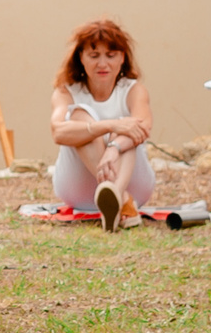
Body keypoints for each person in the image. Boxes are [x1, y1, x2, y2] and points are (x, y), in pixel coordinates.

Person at [47, 20, 154, 230]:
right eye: (94, 56)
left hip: (134, 184)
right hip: (78, 190)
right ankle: (120, 199)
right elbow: (58, 132)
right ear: (81, 58)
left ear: (122, 57)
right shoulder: (65, 92)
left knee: (128, 128)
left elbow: (143, 128)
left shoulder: (134, 90)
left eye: (111, 55)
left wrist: (113, 148)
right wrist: (108, 126)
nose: (102, 64)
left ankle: (116, 192)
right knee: (79, 116)